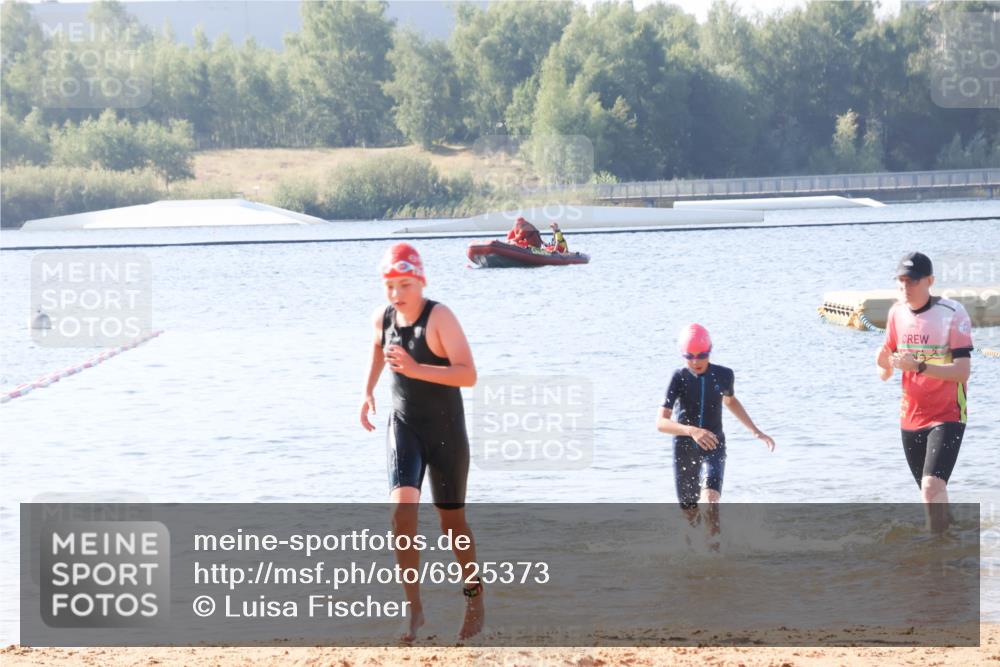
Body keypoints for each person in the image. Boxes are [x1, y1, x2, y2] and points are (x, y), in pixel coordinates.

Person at [360, 242, 485, 641]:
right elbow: (378, 351)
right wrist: (366, 393)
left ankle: (474, 596)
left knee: (452, 524)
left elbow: (468, 375)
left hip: (446, 430)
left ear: (421, 281)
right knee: (401, 514)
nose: (397, 294)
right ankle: (414, 609)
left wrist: (417, 368)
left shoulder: (440, 317)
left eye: (405, 285)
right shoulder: (382, 317)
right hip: (404, 425)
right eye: (390, 286)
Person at [876, 252, 973, 533]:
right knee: (930, 494)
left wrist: (919, 366)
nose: (906, 287)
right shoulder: (896, 313)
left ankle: (936, 560)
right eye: (901, 281)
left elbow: (962, 371)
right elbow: (886, 367)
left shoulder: (953, 313)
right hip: (911, 416)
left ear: (929, 280)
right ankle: (952, 538)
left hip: (948, 414)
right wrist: (882, 363)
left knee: (931, 487)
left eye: (913, 281)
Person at [656, 324, 775, 544]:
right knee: (690, 516)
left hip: (714, 445)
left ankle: (716, 557)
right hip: (684, 448)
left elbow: (730, 401)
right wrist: (691, 431)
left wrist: (756, 431)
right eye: (689, 356)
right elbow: (661, 423)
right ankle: (693, 560)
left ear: (710, 351)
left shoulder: (724, 375)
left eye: (701, 355)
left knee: (710, 501)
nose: (695, 361)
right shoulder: (679, 377)